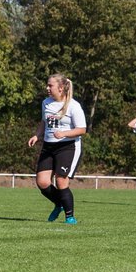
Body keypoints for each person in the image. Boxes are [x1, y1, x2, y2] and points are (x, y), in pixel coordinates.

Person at [27, 73, 87, 224]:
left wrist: (64, 133)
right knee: (42, 182)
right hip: (48, 146)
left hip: (68, 147)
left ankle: (70, 216)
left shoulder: (74, 106)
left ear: (61, 88)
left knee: (61, 181)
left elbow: (82, 129)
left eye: (50, 85)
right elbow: (43, 122)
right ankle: (59, 204)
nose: (47, 88)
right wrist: (37, 135)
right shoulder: (46, 103)